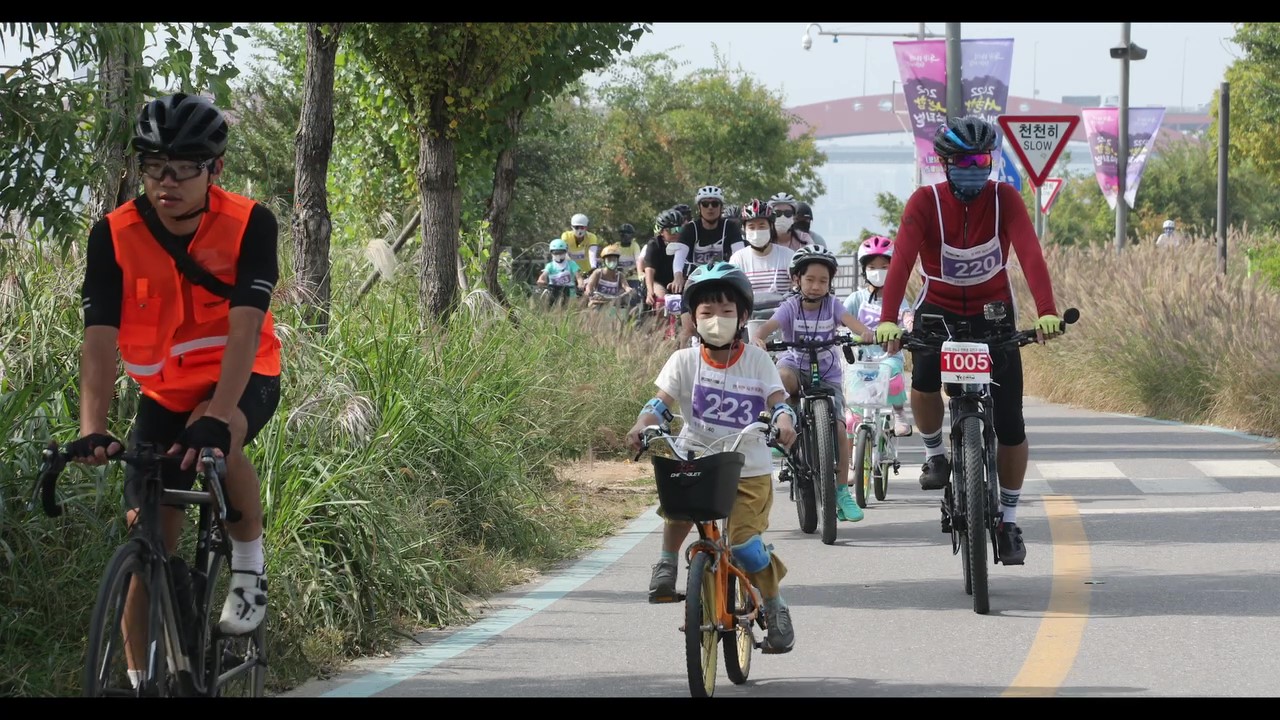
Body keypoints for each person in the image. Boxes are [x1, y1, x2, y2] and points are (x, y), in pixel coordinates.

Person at [71, 93, 280, 688]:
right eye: (155, 166)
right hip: (164, 394)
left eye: (185, 167)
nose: (168, 181)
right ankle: (142, 681)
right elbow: (98, 340)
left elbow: (245, 329)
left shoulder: (250, 223)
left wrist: (217, 415)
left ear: (216, 169)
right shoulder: (113, 234)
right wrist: (92, 428)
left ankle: (248, 566)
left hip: (244, 376)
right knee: (147, 543)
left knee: (219, 436)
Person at [874, 115, 1066, 566]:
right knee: (923, 378)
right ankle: (936, 455)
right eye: (964, 162)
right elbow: (901, 261)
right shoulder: (925, 202)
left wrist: (1046, 311)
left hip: (993, 311)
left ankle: (1010, 520)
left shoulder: (1005, 199)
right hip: (937, 309)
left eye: (982, 161)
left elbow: (1030, 253)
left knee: (1011, 421)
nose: (974, 170)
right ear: (945, 164)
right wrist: (887, 320)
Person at [628, 261, 798, 654]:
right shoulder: (683, 361)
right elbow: (659, 405)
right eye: (706, 312)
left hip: (748, 468)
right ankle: (667, 562)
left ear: (743, 317)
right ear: (693, 318)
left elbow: (778, 402)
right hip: (698, 459)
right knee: (677, 502)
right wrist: (642, 425)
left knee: (745, 547)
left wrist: (784, 420)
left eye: (726, 311)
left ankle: (774, 604)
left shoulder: (758, 361)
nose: (716, 319)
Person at [750, 246, 876, 523]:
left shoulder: (833, 305)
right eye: (810, 279)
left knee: (840, 429)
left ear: (830, 283)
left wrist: (866, 333)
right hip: (795, 367)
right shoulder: (790, 306)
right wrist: (758, 338)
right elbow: (766, 328)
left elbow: (853, 324)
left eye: (823, 280)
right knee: (782, 377)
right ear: (797, 279)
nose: (816, 286)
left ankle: (841, 492)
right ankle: (784, 422)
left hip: (828, 373)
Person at [843, 235, 913, 438]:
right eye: (872, 267)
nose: (878, 271)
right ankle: (854, 439)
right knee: (853, 403)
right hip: (861, 358)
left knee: (893, 377)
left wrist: (910, 325)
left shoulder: (898, 298)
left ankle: (899, 413)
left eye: (884, 267)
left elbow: (906, 316)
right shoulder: (857, 298)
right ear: (864, 270)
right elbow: (841, 316)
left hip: (888, 355)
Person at [671, 185, 746, 277]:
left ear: (721, 207)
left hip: (724, 278)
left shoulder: (731, 227)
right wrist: (678, 276)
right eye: (705, 204)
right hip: (695, 278)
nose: (710, 207)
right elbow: (679, 257)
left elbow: (741, 254)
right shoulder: (689, 229)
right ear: (699, 207)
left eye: (715, 204)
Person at [728, 198, 793, 294]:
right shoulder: (738, 259)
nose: (756, 231)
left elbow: (797, 287)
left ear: (771, 227)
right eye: (751, 227)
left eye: (762, 226)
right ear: (744, 229)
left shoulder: (788, 256)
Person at [643, 208, 684, 320]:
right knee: (661, 301)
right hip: (657, 281)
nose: (676, 233)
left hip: (679, 280)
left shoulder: (685, 243)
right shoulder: (654, 244)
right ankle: (660, 329)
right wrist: (650, 291)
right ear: (661, 232)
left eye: (679, 229)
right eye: (671, 230)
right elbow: (649, 270)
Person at [584, 244, 634, 309]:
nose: (612, 262)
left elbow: (625, 286)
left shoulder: (620, 275)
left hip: (612, 304)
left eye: (614, 259)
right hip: (598, 302)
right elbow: (589, 285)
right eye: (609, 259)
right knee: (593, 307)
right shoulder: (598, 273)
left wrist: (629, 289)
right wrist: (588, 291)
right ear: (604, 261)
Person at [536, 238, 584, 305]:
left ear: (565, 252)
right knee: (549, 303)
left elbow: (578, 277)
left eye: (561, 253)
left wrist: (580, 284)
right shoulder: (550, 265)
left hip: (569, 291)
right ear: (551, 253)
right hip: (554, 290)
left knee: (571, 305)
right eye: (555, 253)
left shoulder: (571, 264)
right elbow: (543, 275)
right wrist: (541, 280)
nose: (558, 255)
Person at [560, 213, 600, 279]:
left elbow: (592, 254)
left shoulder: (592, 237)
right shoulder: (566, 236)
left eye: (582, 227)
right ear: (572, 227)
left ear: (586, 227)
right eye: (576, 227)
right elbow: (564, 254)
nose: (579, 230)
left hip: (587, 272)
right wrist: (575, 270)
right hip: (571, 272)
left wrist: (593, 268)